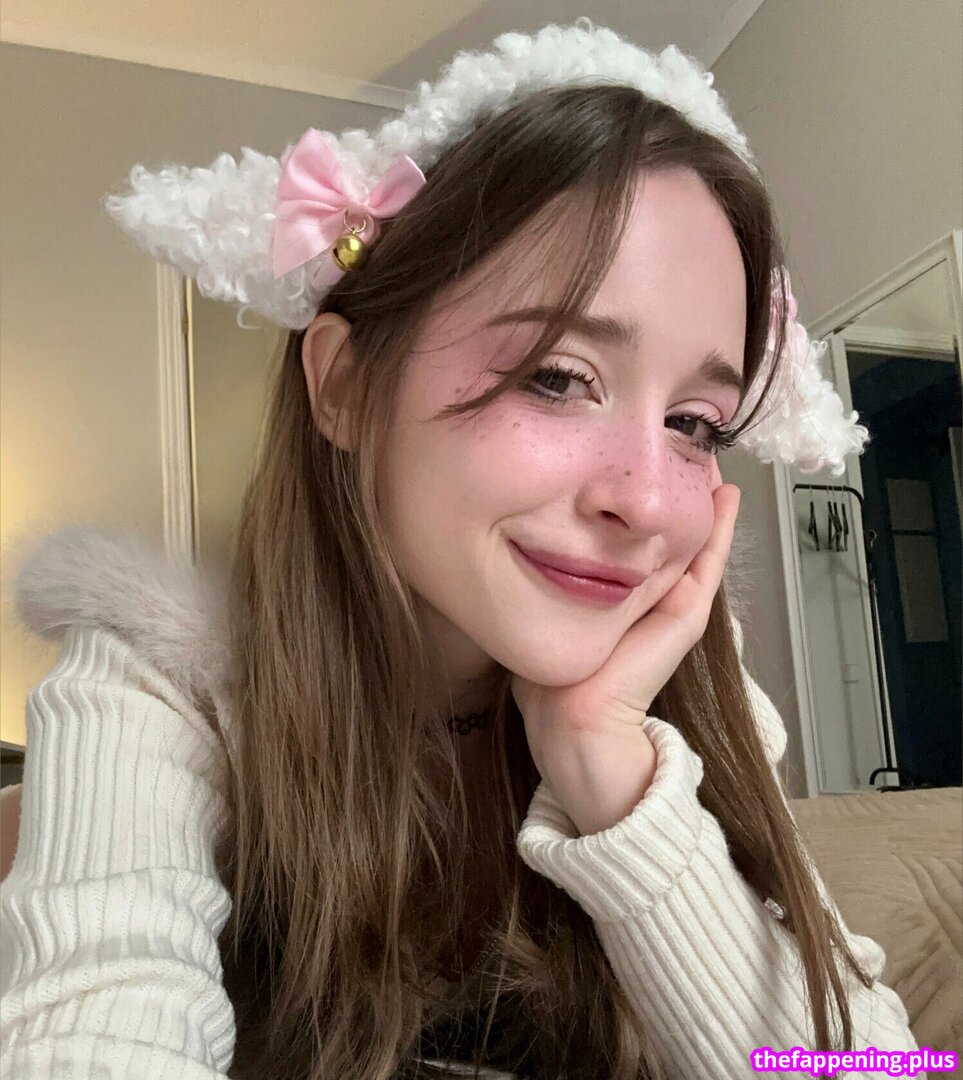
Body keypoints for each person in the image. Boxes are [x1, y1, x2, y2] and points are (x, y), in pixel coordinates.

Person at [0, 21, 921, 1080]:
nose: (644, 502)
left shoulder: (696, 706)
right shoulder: (160, 688)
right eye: (557, 377)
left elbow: (880, 1066)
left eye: (694, 424)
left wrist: (613, 779)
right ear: (346, 386)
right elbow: (96, 1029)